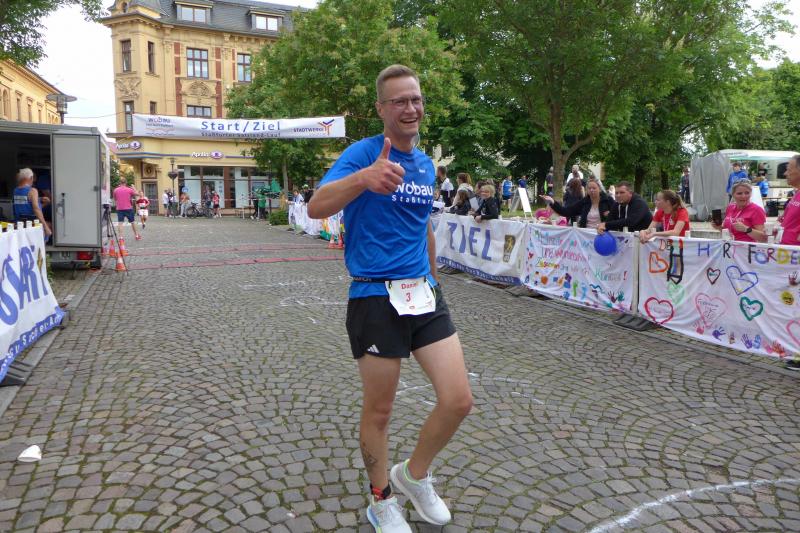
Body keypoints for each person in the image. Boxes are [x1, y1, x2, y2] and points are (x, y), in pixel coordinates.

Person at [307, 64, 472, 533]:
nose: (410, 108)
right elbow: (317, 206)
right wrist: (364, 178)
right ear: (381, 109)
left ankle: (413, 476)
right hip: (374, 297)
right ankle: (381, 499)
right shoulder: (363, 154)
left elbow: (422, 227)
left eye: (415, 99)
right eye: (399, 100)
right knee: (379, 411)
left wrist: (434, 279)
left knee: (458, 400)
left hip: (423, 295)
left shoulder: (425, 164)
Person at [541, 178, 613, 230]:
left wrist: (610, 215)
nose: (591, 190)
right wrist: (552, 201)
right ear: (586, 190)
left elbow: (617, 216)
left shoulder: (608, 200)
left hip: (602, 234)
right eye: (589, 188)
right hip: (586, 235)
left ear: (599, 189)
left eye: (594, 188)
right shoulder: (584, 202)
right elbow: (566, 211)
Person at [12, 168, 52, 239]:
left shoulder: (15, 191)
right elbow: (36, 209)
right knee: (50, 225)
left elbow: (25, 205)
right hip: (32, 226)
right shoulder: (32, 191)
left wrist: (40, 200)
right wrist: (45, 227)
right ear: (31, 178)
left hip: (20, 225)